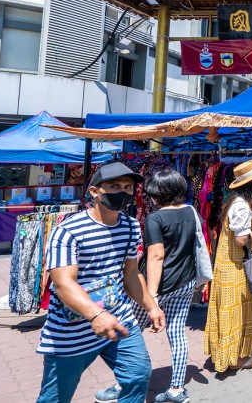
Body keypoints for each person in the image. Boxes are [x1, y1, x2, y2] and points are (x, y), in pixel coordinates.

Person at [36, 162, 165, 403]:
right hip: (71, 331)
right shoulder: (68, 230)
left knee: (138, 375)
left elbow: (131, 273)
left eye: (128, 187)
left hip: (119, 319)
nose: (122, 192)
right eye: (114, 186)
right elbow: (63, 283)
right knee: (55, 397)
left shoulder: (130, 226)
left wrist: (151, 306)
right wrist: (96, 315)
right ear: (94, 191)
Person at [96, 169, 197, 403]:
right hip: (185, 281)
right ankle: (176, 389)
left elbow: (156, 256)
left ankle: (124, 383)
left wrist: (150, 296)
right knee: (177, 332)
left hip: (157, 285)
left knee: (130, 330)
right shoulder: (191, 212)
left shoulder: (155, 218)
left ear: (157, 194)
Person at [204, 159, 252, 372]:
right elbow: (241, 240)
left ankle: (235, 351)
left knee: (235, 310)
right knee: (236, 311)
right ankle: (235, 359)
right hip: (235, 267)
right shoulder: (242, 206)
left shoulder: (236, 202)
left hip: (234, 263)